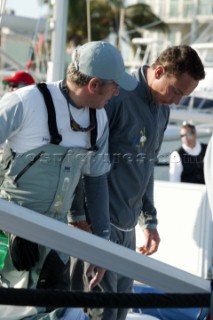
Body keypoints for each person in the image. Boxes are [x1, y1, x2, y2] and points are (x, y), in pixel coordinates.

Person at [0, 40, 138, 320]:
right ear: (94, 84)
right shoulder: (24, 102)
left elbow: (96, 183)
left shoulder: (99, 120)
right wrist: (12, 226)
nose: (117, 92)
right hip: (9, 236)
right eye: (114, 85)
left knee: (47, 310)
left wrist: (100, 248)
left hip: (55, 240)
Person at [69, 44, 205, 320]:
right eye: (176, 91)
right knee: (99, 315)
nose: (177, 101)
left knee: (119, 314)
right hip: (97, 229)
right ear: (158, 71)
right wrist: (82, 221)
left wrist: (150, 221)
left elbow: (146, 166)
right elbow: (81, 158)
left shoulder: (162, 109)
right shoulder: (116, 96)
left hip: (127, 231)